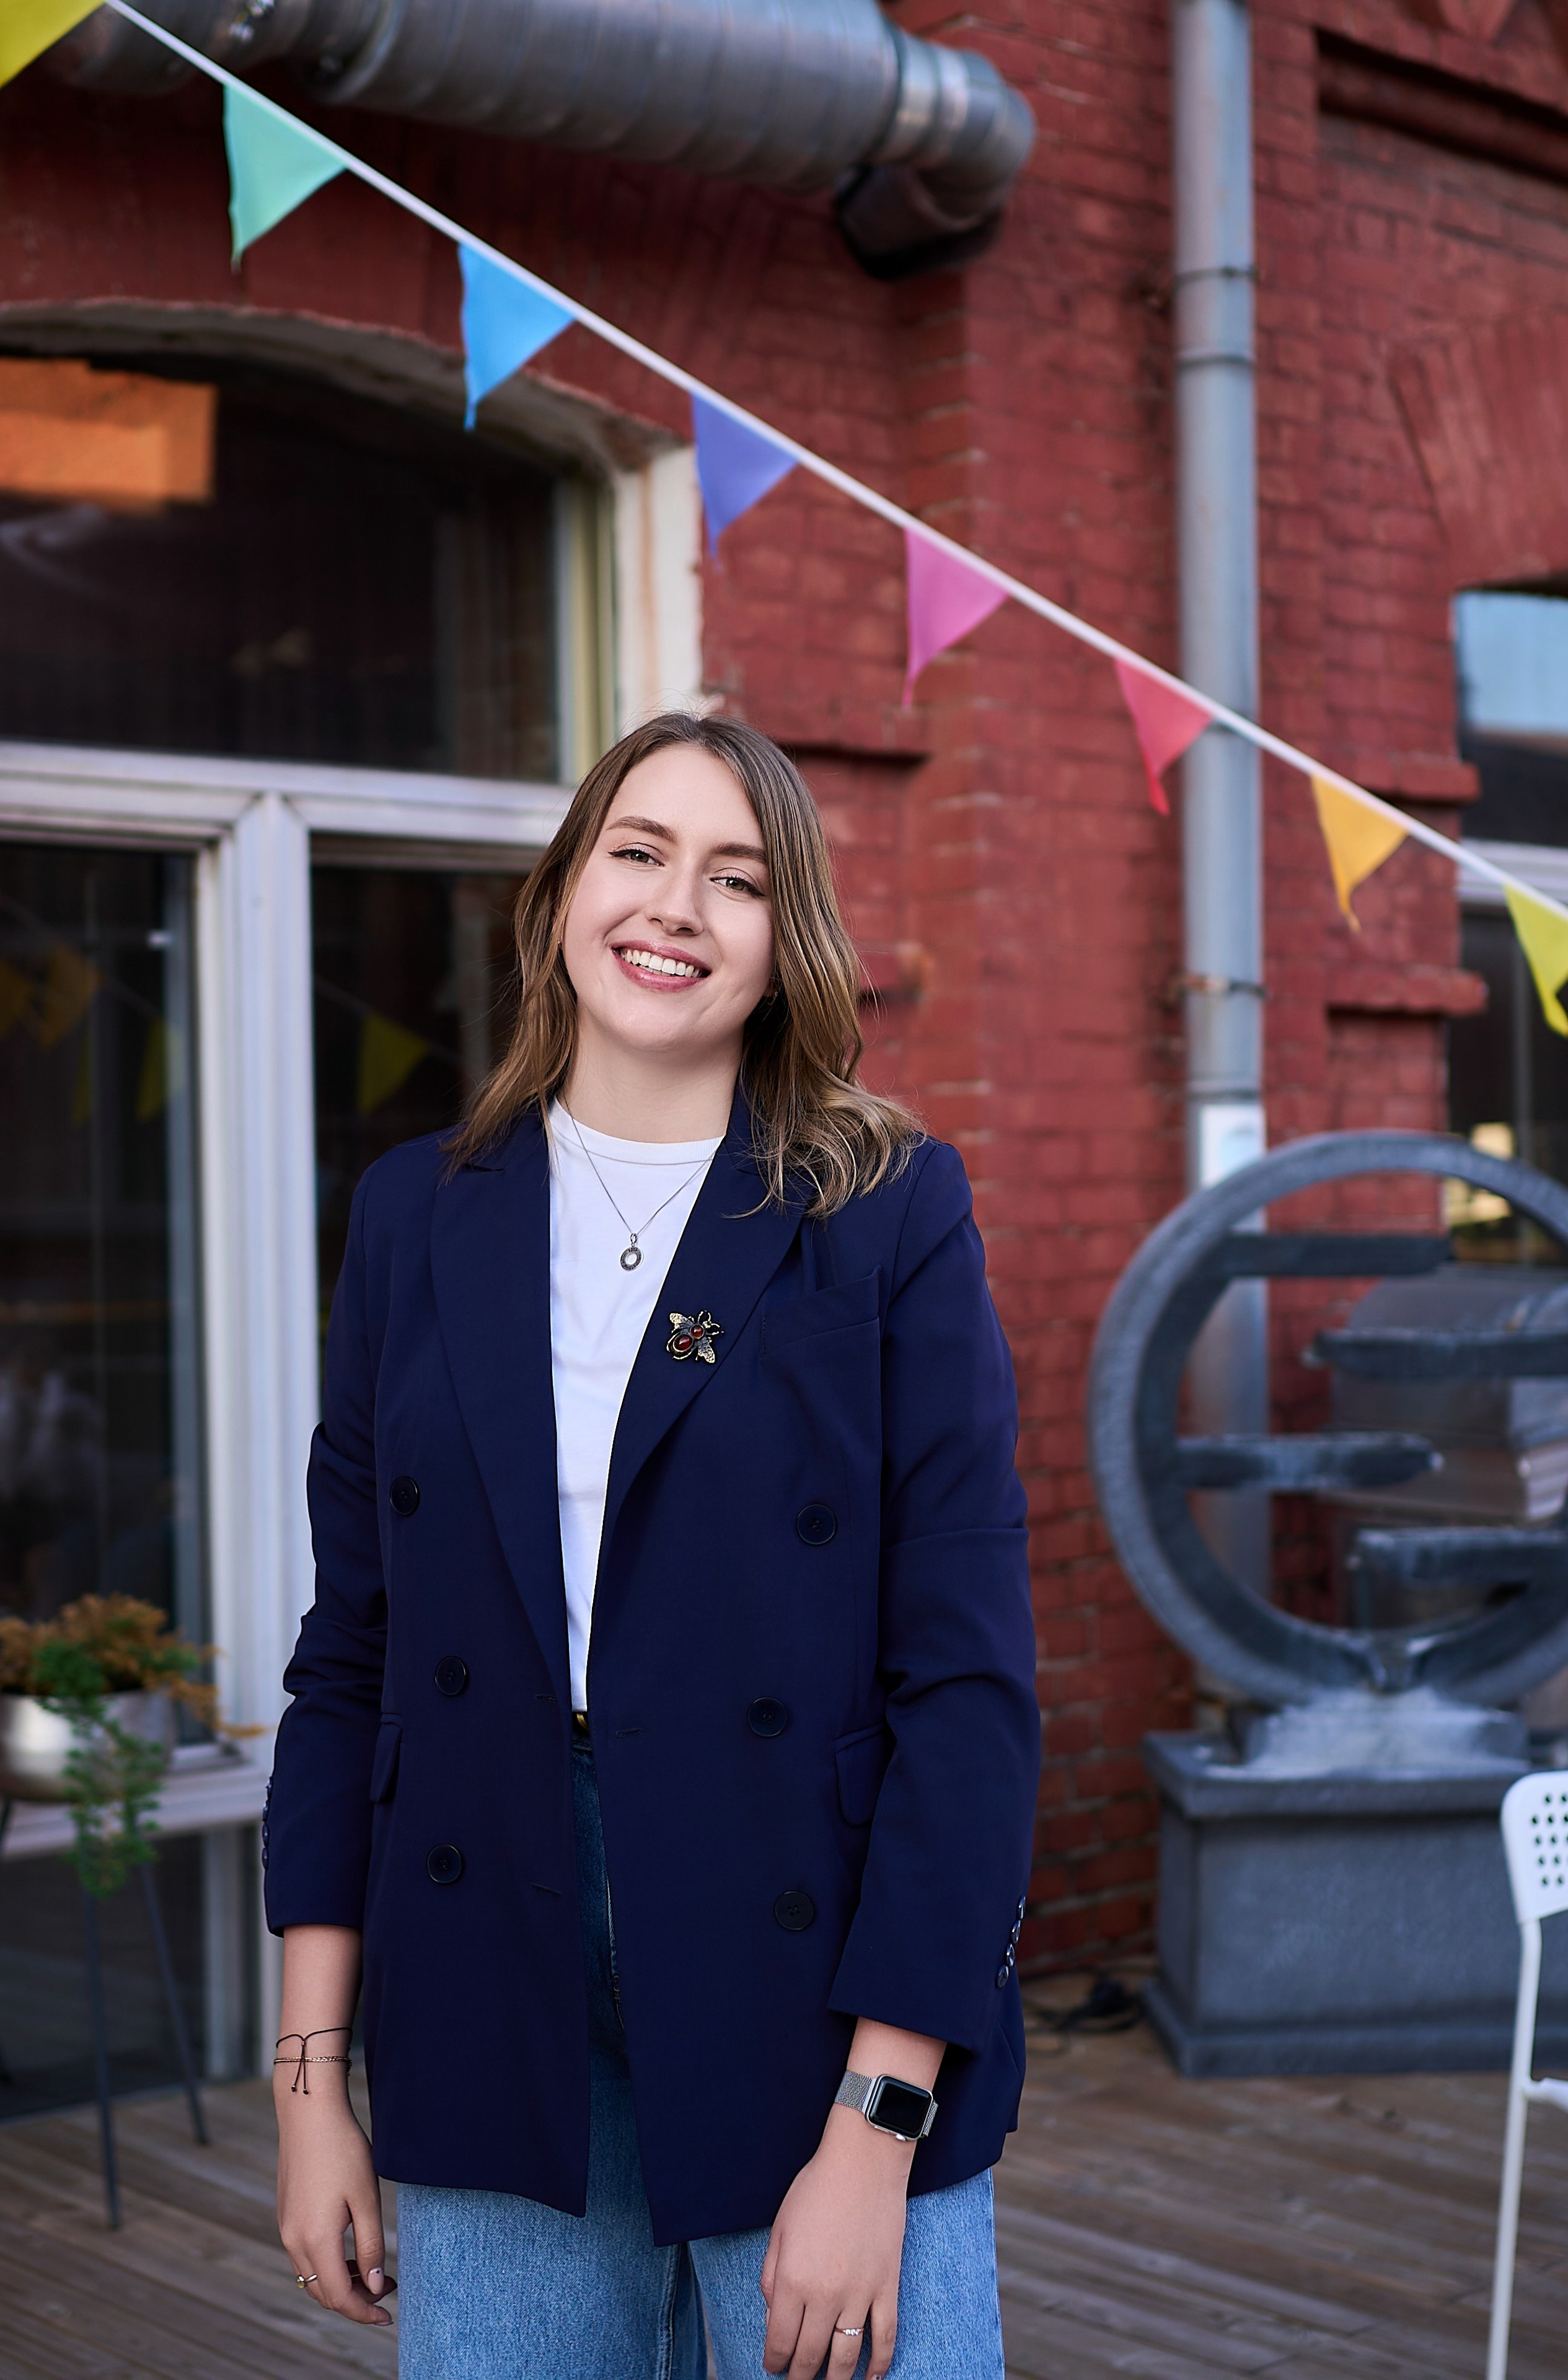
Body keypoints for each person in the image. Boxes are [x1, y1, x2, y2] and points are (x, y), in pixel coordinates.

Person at [265, 713, 1041, 2380]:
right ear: (563, 894)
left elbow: (965, 1690)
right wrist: (313, 2088)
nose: (676, 905)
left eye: (739, 878)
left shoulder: (888, 1212)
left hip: (813, 1989)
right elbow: (353, 1670)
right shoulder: (419, 1210)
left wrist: (876, 2129)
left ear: (786, 947)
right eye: (639, 851)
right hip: (487, 1985)